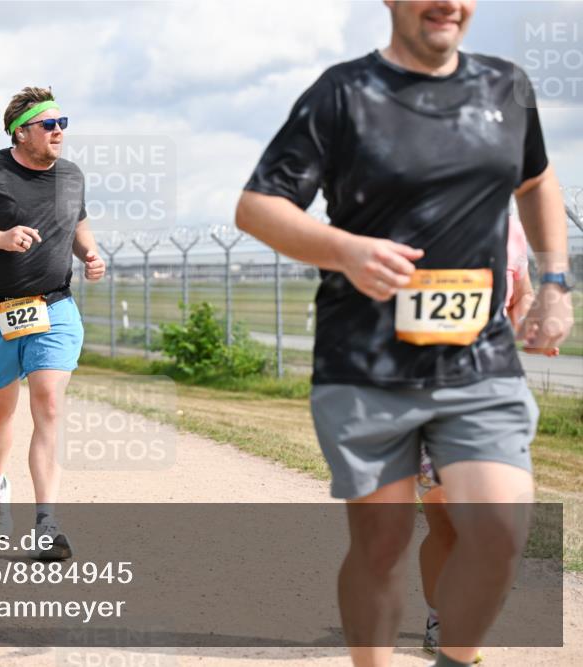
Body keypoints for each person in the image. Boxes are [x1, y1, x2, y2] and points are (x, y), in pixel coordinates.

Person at [234, 2, 574, 666]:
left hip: (481, 360)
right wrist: (345, 250)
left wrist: (554, 282)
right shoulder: (342, 94)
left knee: (500, 529)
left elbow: (537, 181)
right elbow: (257, 206)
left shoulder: (507, 87)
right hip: (367, 365)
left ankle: (454, 651)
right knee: (382, 545)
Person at [0, 86, 105, 559]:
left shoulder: (71, 176)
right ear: (21, 131)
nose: (58, 132)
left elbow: (77, 223)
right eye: (48, 125)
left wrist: (89, 252)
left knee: (49, 402)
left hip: (55, 306)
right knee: (1, 410)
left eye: (62, 123)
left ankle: (48, 524)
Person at [418, 212, 551, 662]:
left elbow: (521, 294)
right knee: (446, 522)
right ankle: (443, 620)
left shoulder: (511, 227)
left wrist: (532, 322)